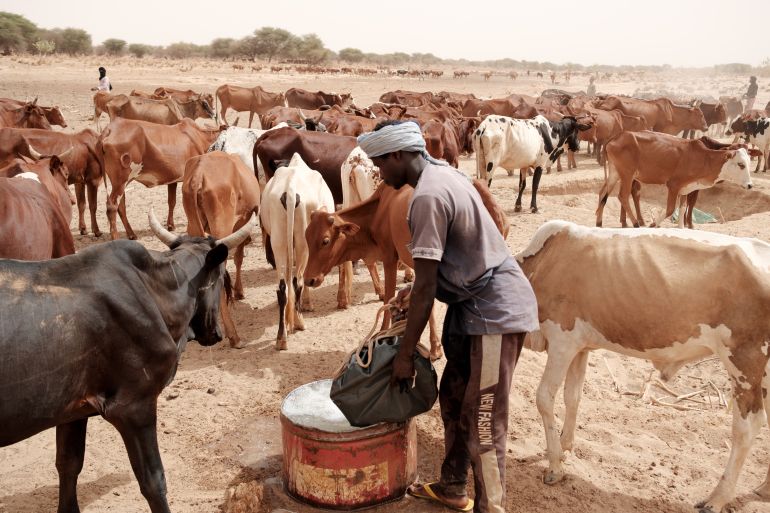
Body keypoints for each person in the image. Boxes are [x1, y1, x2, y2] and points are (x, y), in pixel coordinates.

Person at [357, 121, 539, 513]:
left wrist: (404, 356)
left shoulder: (427, 197)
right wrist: (417, 289)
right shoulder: (445, 173)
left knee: (484, 422)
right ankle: (454, 486)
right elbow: (439, 269)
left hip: (494, 312)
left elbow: (424, 288)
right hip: (468, 304)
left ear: (397, 156)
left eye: (378, 164)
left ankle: (492, 507)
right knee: (454, 399)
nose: (378, 173)